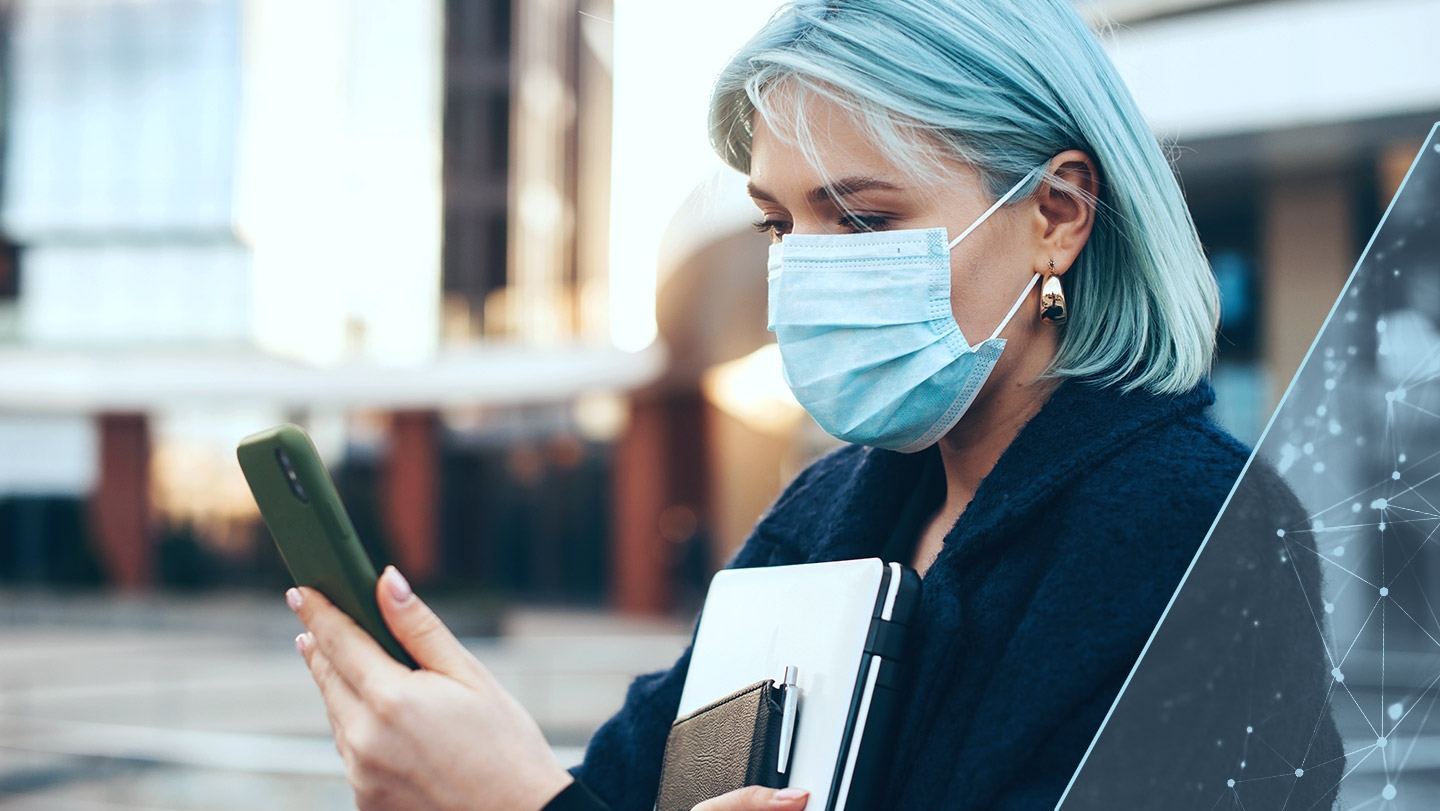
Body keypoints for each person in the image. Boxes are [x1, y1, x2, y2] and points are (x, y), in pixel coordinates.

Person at [286, 1, 1341, 809]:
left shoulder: (1200, 534)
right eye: (778, 225)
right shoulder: (824, 516)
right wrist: (477, 754)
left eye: (865, 219)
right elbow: (635, 783)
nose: (805, 272)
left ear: (1056, 216)